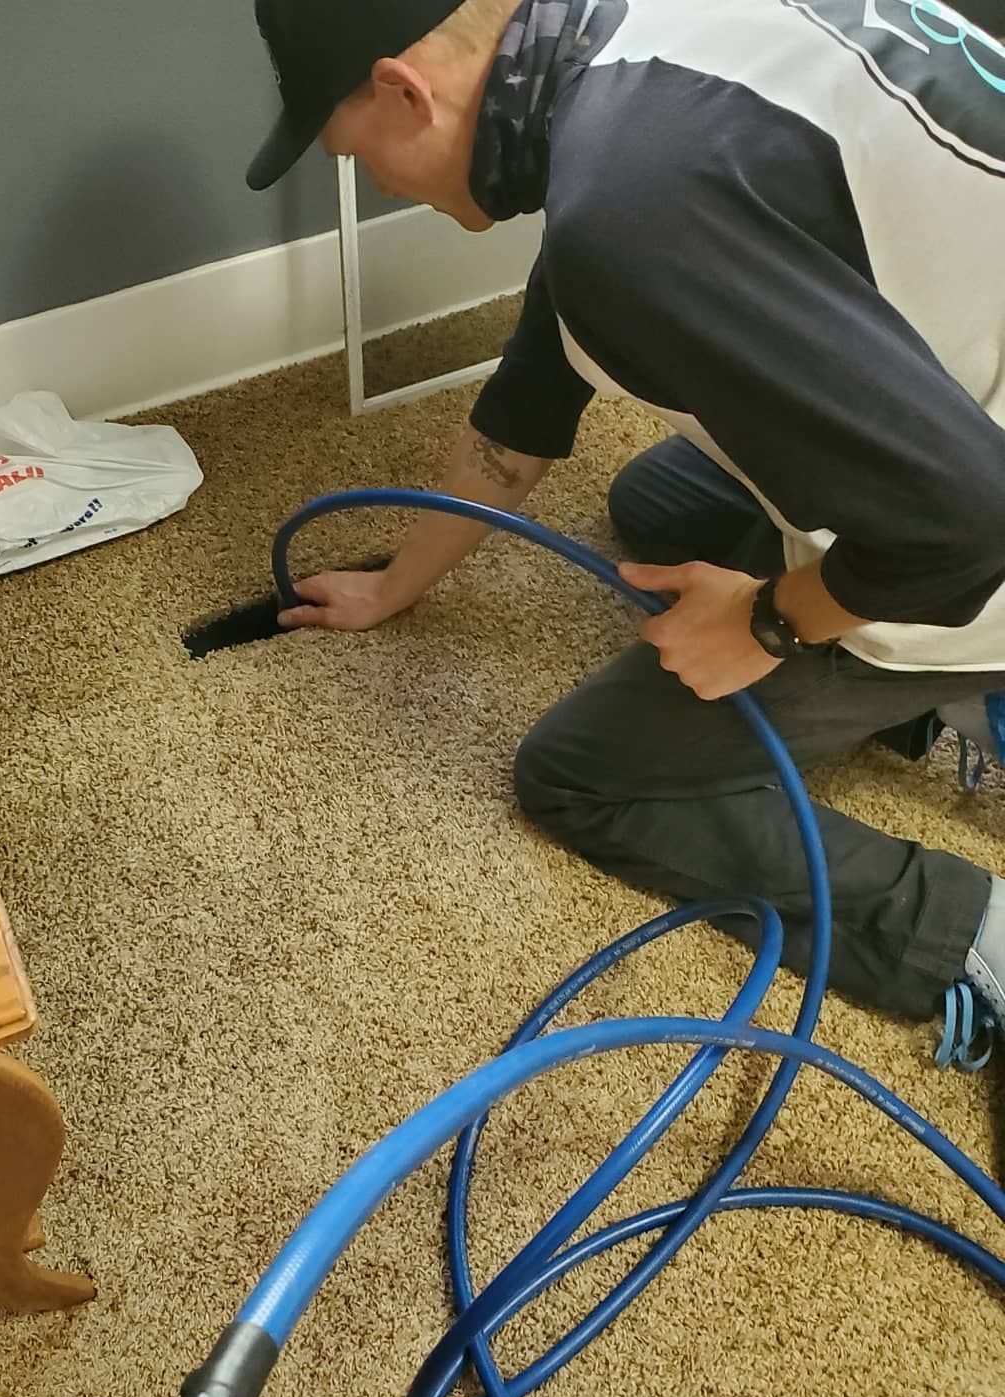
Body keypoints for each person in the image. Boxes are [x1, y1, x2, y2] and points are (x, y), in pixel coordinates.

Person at [247, 0, 1005, 1058]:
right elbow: (522, 419)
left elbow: (968, 525)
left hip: (978, 534)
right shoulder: (635, 61)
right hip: (960, 409)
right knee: (655, 501)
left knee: (583, 775)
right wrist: (393, 586)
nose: (380, 186)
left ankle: (972, 929)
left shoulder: (631, 202)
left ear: (404, 90)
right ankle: (916, 693)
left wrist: (773, 626)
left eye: (359, 155)